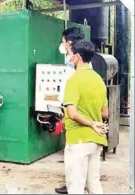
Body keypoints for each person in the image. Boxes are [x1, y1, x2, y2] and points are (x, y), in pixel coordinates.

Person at [63, 40, 108, 194]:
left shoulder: (73, 81)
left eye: (70, 54)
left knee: (75, 186)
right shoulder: (99, 80)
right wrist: (93, 118)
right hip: (96, 140)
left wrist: (90, 123)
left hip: (78, 140)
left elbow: (72, 113)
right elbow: (105, 113)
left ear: (77, 56)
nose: (69, 58)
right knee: (94, 184)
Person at [55, 27, 87, 194]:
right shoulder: (71, 60)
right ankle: (73, 183)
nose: (61, 44)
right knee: (74, 152)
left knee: (75, 152)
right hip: (70, 107)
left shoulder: (77, 63)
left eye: (63, 41)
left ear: (69, 42)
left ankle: (75, 186)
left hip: (76, 110)